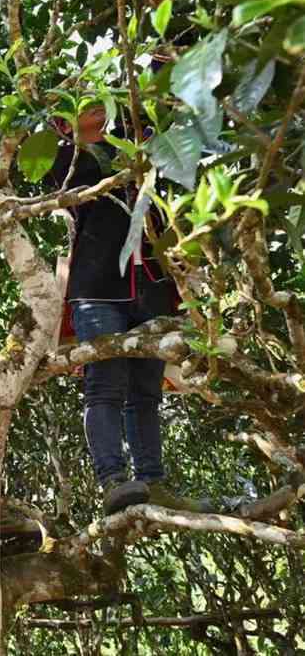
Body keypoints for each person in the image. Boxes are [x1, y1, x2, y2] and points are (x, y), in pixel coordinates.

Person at [50, 107, 210, 515]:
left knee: (146, 393)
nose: (98, 106)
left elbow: (164, 109)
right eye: (84, 102)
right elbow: (60, 184)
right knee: (104, 385)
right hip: (99, 287)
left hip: (153, 288)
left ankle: (153, 481)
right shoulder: (67, 160)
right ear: (65, 121)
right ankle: (114, 481)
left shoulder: (137, 144)